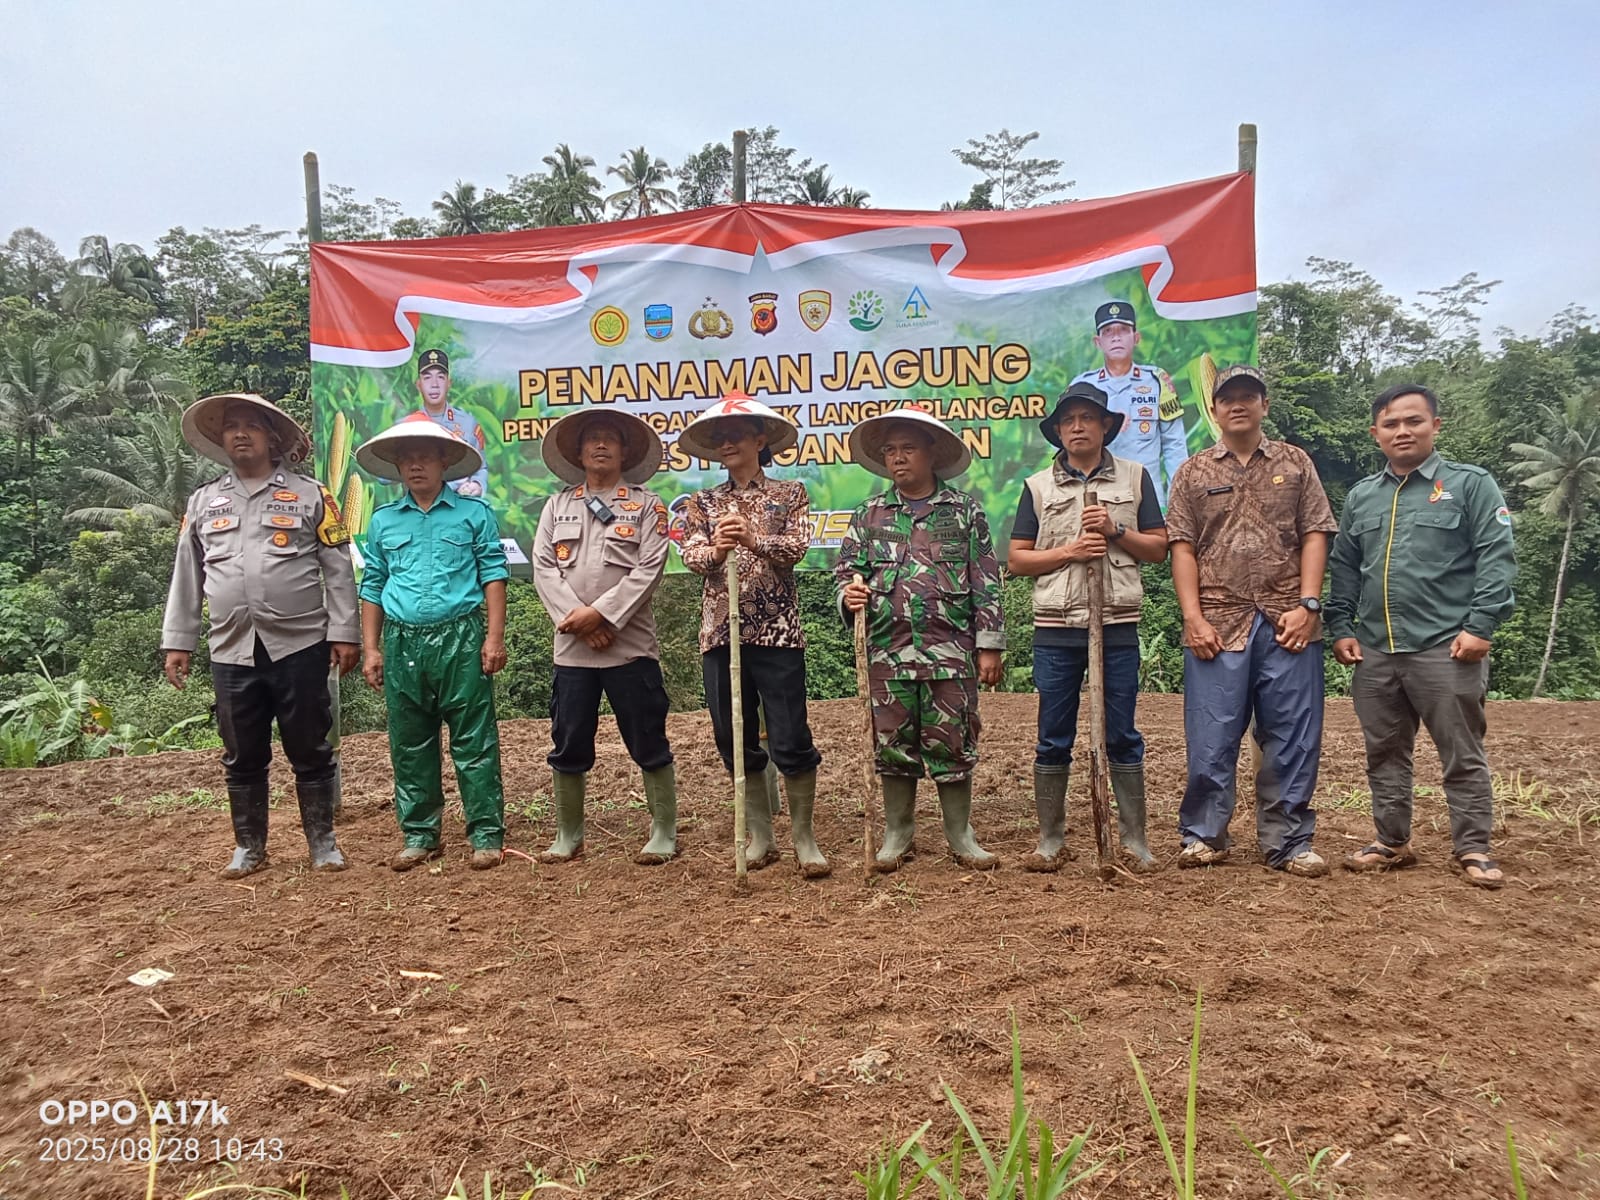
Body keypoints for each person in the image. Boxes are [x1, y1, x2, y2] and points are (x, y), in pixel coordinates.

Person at [161, 392, 358, 878]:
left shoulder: (313, 495)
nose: (240, 433)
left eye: (251, 425)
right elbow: (188, 574)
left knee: (310, 746)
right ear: (221, 439)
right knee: (242, 751)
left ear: (274, 439)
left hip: (301, 644)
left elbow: (338, 570)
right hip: (231, 648)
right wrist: (178, 640)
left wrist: (345, 632)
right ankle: (249, 847)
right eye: (232, 427)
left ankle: (322, 842)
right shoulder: (205, 501)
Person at [1327, 384, 1516, 889]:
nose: (1402, 431)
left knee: (1461, 750)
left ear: (1436, 425)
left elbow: (1496, 558)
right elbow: (1345, 568)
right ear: (1376, 434)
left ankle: (1473, 846)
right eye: (1391, 424)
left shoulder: (1470, 485)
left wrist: (1481, 626)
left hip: (1445, 647)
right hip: (1375, 652)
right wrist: (1340, 626)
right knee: (1385, 753)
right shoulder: (1363, 497)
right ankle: (1392, 842)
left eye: (1413, 421)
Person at [1164, 365, 1339, 876]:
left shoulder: (1297, 463)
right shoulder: (1193, 472)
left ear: (1264, 405)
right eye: (1228, 398)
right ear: (1214, 410)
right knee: (1211, 736)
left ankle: (1288, 841)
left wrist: (1309, 606)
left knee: (1293, 734)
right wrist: (1192, 618)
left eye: (1249, 396)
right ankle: (1204, 836)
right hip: (1217, 626)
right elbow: (1183, 548)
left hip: (1288, 621)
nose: (1238, 405)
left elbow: (1315, 533)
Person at [1006, 382, 1169, 872]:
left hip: (1116, 623)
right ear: (1058, 431)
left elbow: (1159, 548)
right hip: (1056, 627)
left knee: (1122, 733)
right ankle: (1051, 840)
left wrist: (1116, 531)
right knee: (1053, 735)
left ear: (1105, 426)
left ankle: (1134, 841)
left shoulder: (1136, 478)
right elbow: (1017, 560)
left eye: (1087, 418)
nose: (1078, 427)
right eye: (1069, 420)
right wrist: (1070, 552)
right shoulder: (1037, 487)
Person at [835, 407, 1005, 871]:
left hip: (951, 652)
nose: (897, 458)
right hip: (888, 654)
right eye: (890, 450)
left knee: (953, 742)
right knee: (891, 744)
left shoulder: (964, 511)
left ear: (932, 453)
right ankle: (898, 834)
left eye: (908, 448)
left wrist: (990, 643)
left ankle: (960, 835)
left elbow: (985, 578)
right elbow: (846, 575)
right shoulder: (869, 515)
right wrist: (849, 595)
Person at [678, 393, 828, 878]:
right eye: (720, 437)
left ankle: (804, 836)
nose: (727, 443)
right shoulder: (703, 502)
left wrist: (752, 540)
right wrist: (719, 550)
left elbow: (796, 548)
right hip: (721, 634)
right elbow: (693, 558)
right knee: (733, 737)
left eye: (737, 435)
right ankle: (761, 836)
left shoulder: (790, 494)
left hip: (778, 634)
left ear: (760, 440)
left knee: (790, 736)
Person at [355, 419, 510, 870]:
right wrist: (372, 648)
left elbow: (493, 576)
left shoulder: (472, 515)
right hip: (402, 641)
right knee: (409, 741)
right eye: (406, 457)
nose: (415, 465)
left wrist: (493, 639)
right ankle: (420, 834)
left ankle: (486, 834)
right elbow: (373, 585)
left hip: (461, 637)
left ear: (446, 462)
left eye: (425, 456)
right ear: (396, 465)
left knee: (474, 739)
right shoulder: (384, 521)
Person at [531, 409, 678, 865]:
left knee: (646, 737)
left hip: (629, 646)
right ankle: (568, 835)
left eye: (609, 440)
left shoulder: (648, 505)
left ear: (625, 451)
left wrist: (604, 617)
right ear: (577, 452)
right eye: (591, 439)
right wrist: (578, 618)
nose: (600, 446)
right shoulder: (558, 505)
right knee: (569, 740)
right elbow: (543, 568)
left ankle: (663, 832)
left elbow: (649, 569)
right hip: (573, 649)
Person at [1069, 301, 1189, 507]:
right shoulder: (1082, 385)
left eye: (1123, 330)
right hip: (1096, 499)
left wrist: (1177, 502)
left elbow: (1174, 444)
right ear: (1098, 342)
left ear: (1136, 338)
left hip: (1147, 499)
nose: (1116, 337)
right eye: (1108, 331)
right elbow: (1066, 444)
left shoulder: (1157, 380)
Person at [413, 349, 490, 498]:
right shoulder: (408, 426)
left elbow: (481, 467)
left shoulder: (468, 424)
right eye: (427, 378)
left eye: (440, 377)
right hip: (421, 507)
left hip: (459, 505)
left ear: (449, 383)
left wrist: (477, 484)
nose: (434, 384)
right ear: (419, 385)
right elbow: (385, 475)